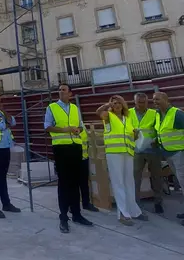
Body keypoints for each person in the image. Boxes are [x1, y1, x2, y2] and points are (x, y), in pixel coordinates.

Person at [44, 84, 94, 233]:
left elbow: (80, 126)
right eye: (59, 90)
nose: (60, 92)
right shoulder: (51, 108)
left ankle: (77, 214)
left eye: (63, 90)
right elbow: (47, 127)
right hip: (61, 148)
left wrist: (78, 130)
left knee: (76, 182)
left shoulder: (75, 109)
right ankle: (63, 217)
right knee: (64, 183)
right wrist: (65, 129)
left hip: (76, 147)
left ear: (70, 94)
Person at [97, 95, 147, 226]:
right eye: (114, 103)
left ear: (123, 104)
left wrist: (135, 134)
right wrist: (106, 105)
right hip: (114, 153)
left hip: (128, 152)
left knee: (129, 182)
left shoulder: (128, 118)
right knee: (118, 183)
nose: (117, 105)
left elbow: (131, 134)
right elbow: (98, 112)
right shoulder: (108, 116)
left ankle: (133, 211)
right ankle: (123, 214)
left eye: (119, 103)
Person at [153, 91, 184, 226]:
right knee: (183, 182)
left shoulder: (178, 114)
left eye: (158, 99)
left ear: (166, 99)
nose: (155, 102)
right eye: (154, 100)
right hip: (169, 154)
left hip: (181, 153)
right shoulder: (158, 115)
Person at [129, 92, 164, 214]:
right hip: (137, 149)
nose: (142, 105)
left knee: (156, 177)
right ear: (135, 102)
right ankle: (135, 202)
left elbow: (159, 129)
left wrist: (157, 141)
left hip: (152, 148)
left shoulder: (154, 113)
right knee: (135, 177)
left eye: (144, 102)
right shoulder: (129, 113)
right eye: (139, 102)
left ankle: (158, 202)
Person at [76, 124, 100, 213]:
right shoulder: (70, 125)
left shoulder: (81, 125)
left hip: (84, 158)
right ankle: (73, 205)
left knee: (84, 183)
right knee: (73, 184)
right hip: (73, 159)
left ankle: (86, 203)